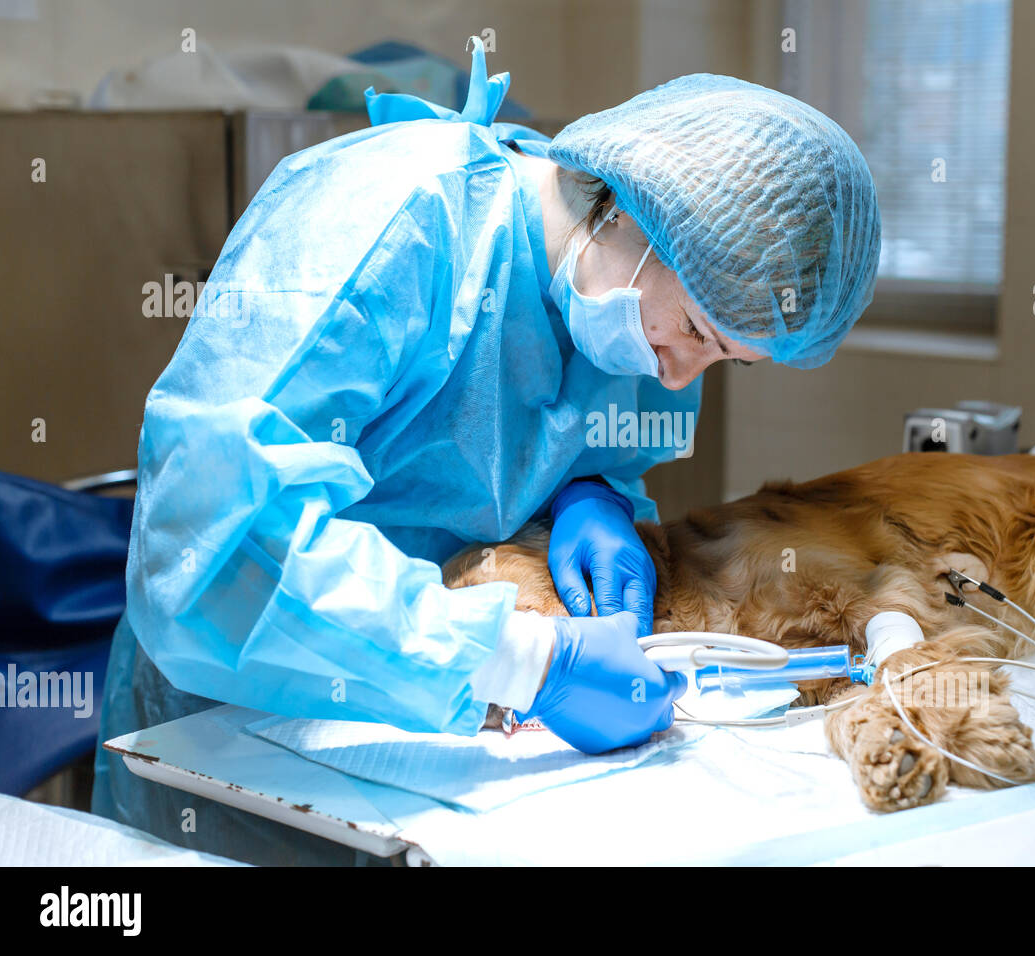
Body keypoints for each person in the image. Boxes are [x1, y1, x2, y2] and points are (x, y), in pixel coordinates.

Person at [91, 40, 881, 864]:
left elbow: (553, 446)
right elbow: (215, 552)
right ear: (630, 211)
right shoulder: (392, 224)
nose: (682, 377)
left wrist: (593, 498)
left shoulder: (626, 304)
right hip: (227, 735)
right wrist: (526, 662)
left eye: (726, 360)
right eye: (694, 334)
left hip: (439, 763)